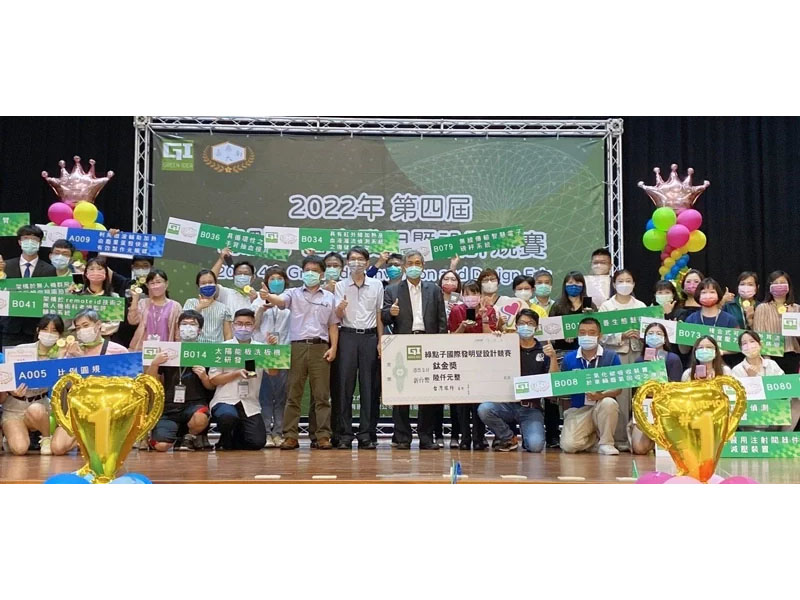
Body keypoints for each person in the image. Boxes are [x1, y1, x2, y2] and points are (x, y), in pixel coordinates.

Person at [263, 254, 339, 450]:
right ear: (302, 273)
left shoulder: (329, 297)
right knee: (293, 393)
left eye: (315, 271)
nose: (310, 274)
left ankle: (322, 435)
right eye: (307, 270)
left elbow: (333, 325)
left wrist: (333, 347)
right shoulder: (293, 293)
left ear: (322, 274)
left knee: (322, 395)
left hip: (321, 347)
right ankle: (290, 435)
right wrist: (268, 296)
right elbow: (280, 301)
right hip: (296, 347)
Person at [382, 249, 447, 450]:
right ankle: (402, 437)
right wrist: (391, 312)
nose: (414, 267)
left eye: (418, 263)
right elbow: (384, 318)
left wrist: (440, 343)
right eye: (410, 263)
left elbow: (441, 320)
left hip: (428, 342)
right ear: (404, 267)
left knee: (426, 391)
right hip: (402, 343)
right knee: (401, 390)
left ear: (423, 266)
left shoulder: (433, 289)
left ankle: (426, 437)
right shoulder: (392, 290)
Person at [477, 309, 558, 452]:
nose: (526, 326)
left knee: (536, 446)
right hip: (506, 404)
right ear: (516, 326)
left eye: (530, 323)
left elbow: (554, 381)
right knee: (484, 409)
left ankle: (528, 439)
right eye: (522, 323)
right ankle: (508, 437)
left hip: (531, 408)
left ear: (537, 327)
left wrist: (553, 357)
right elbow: (487, 358)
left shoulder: (544, 350)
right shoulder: (507, 345)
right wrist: (495, 339)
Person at [52, 308, 128, 455]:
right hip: (79, 409)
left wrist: (82, 359)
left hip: (107, 411)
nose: (82, 331)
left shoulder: (118, 351)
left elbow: (125, 387)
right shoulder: (72, 352)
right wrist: (62, 357)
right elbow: (62, 383)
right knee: (58, 447)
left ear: (98, 325)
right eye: (78, 328)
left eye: (86, 325)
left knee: (101, 452)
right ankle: (85, 439)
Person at [334, 246, 384, 449]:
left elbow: (379, 314)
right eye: (353, 259)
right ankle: (345, 435)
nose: (357, 262)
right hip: (347, 336)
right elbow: (336, 316)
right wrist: (340, 309)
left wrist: (381, 341)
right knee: (345, 387)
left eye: (361, 259)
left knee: (369, 387)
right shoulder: (340, 286)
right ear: (347, 263)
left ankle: (366, 434)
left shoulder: (376, 285)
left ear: (367, 263)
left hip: (369, 337)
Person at [146, 310, 215, 451]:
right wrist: (154, 364)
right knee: (161, 446)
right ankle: (172, 436)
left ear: (200, 330)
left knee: (200, 419)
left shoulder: (207, 351)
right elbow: (151, 381)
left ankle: (189, 436)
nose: (188, 327)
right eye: (184, 324)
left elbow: (211, 387)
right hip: (169, 406)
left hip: (194, 404)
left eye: (192, 324)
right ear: (178, 328)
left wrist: (204, 376)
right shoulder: (167, 350)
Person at [0, 314, 64, 455]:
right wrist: (11, 390)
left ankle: (46, 438)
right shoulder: (21, 350)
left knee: (36, 409)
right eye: (45, 329)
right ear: (38, 330)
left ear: (60, 335)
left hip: (39, 405)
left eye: (54, 330)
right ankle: (9, 437)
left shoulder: (61, 354)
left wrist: (62, 357)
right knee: (20, 449)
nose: (49, 334)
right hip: (14, 407)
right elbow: (5, 377)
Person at [547, 271, 597, 448]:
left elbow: (597, 329)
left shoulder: (590, 305)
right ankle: (553, 435)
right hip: (561, 354)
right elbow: (550, 331)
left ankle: (586, 429)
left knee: (584, 391)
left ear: (583, 284)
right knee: (556, 394)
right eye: (569, 283)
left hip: (585, 353)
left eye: (577, 282)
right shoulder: (558, 306)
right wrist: (562, 336)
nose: (573, 286)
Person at [558, 317, 622, 455]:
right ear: (578, 335)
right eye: (582, 333)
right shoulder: (569, 358)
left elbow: (618, 389)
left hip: (601, 405)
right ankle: (593, 439)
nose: (586, 336)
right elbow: (562, 388)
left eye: (592, 333)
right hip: (579, 409)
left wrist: (601, 395)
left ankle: (606, 443)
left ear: (600, 335)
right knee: (569, 446)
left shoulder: (611, 356)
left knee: (609, 403)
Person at [448, 281, 498, 450]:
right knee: (462, 403)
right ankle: (465, 437)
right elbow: (451, 338)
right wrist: (462, 326)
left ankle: (479, 437)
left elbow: (491, 337)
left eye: (474, 293)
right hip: (461, 361)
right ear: (462, 295)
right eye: (467, 294)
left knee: (479, 400)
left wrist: (484, 318)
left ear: (480, 295)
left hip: (482, 362)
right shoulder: (457, 310)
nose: (471, 297)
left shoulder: (489, 310)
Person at [208, 309, 267, 450]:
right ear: (233, 325)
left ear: (254, 326)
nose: (243, 327)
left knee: (257, 442)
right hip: (225, 399)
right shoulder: (223, 348)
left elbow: (274, 372)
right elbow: (214, 379)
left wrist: (273, 349)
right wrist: (236, 373)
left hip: (250, 403)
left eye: (248, 324)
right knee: (228, 417)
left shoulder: (261, 348)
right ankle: (225, 437)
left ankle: (237, 435)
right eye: (239, 324)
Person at [599, 268, 645, 448]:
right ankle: (620, 439)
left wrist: (641, 334)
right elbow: (600, 335)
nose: (624, 284)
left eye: (628, 281)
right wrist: (621, 336)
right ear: (614, 284)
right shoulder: (606, 306)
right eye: (620, 281)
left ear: (633, 284)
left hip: (638, 353)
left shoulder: (640, 306)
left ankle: (640, 438)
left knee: (639, 395)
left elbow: (652, 330)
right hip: (617, 354)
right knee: (621, 396)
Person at [629, 322, 684, 455]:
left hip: (666, 409)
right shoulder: (639, 361)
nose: (654, 336)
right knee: (639, 448)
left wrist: (657, 372)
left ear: (665, 339)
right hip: (646, 408)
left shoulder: (673, 359)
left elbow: (675, 389)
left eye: (659, 334)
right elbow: (635, 393)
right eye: (650, 334)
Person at [252, 266, 291, 447]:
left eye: (279, 278)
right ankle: (266, 433)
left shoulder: (290, 299)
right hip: (263, 351)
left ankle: (278, 433)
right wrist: (262, 308)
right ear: (266, 282)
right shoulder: (257, 301)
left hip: (284, 352)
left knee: (282, 396)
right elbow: (252, 326)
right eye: (272, 278)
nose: (276, 281)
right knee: (265, 395)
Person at [0, 225, 57, 348]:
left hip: (34, 328)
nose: (30, 242)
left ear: (40, 243)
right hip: (9, 327)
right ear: (19, 242)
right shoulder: (6, 266)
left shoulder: (50, 270)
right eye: (26, 238)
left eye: (34, 239)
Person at [754, 270, 800, 375]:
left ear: (789, 286)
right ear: (769, 287)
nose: (779, 285)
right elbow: (759, 336)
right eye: (775, 283)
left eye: (782, 283)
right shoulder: (762, 308)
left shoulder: (797, 308)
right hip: (771, 355)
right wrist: (767, 360)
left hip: (792, 355)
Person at [127, 269, 182, 351]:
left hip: (165, 351)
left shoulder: (175, 306)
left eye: (158, 282)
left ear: (166, 284)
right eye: (152, 283)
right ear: (147, 286)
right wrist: (135, 299)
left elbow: (178, 332)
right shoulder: (143, 303)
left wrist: (177, 350)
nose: (156, 286)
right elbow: (132, 321)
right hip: (141, 349)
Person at [110, 255, 155, 348]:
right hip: (121, 335)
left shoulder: (155, 288)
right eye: (137, 266)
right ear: (132, 267)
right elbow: (105, 270)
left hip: (144, 335)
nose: (141, 269)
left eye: (145, 266)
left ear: (151, 268)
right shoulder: (125, 283)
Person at [182, 269, 233, 343]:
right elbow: (185, 326)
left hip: (216, 348)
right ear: (198, 286)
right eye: (203, 283)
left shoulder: (224, 308)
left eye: (210, 282)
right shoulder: (190, 303)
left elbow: (228, 335)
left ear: (216, 284)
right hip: (194, 346)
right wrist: (199, 308)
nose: (207, 285)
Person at [78, 257, 121, 338]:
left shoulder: (114, 297)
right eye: (91, 269)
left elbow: (115, 325)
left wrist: (95, 328)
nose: (95, 272)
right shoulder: (78, 296)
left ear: (106, 273)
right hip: (79, 338)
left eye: (100, 269)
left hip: (103, 339)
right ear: (86, 274)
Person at [211, 250, 260, 314]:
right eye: (239, 273)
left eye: (246, 273)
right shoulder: (226, 293)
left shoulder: (259, 296)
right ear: (233, 276)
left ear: (253, 278)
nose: (242, 276)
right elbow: (210, 281)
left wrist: (254, 301)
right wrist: (221, 259)